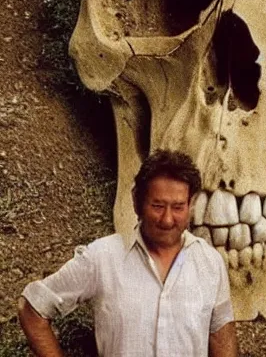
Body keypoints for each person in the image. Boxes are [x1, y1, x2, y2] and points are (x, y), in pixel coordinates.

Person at [18, 149, 238, 357]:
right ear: (136, 201)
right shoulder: (102, 257)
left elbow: (222, 336)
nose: (167, 219)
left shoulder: (210, 262)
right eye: (158, 206)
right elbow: (32, 308)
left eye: (178, 207)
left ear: (191, 205)